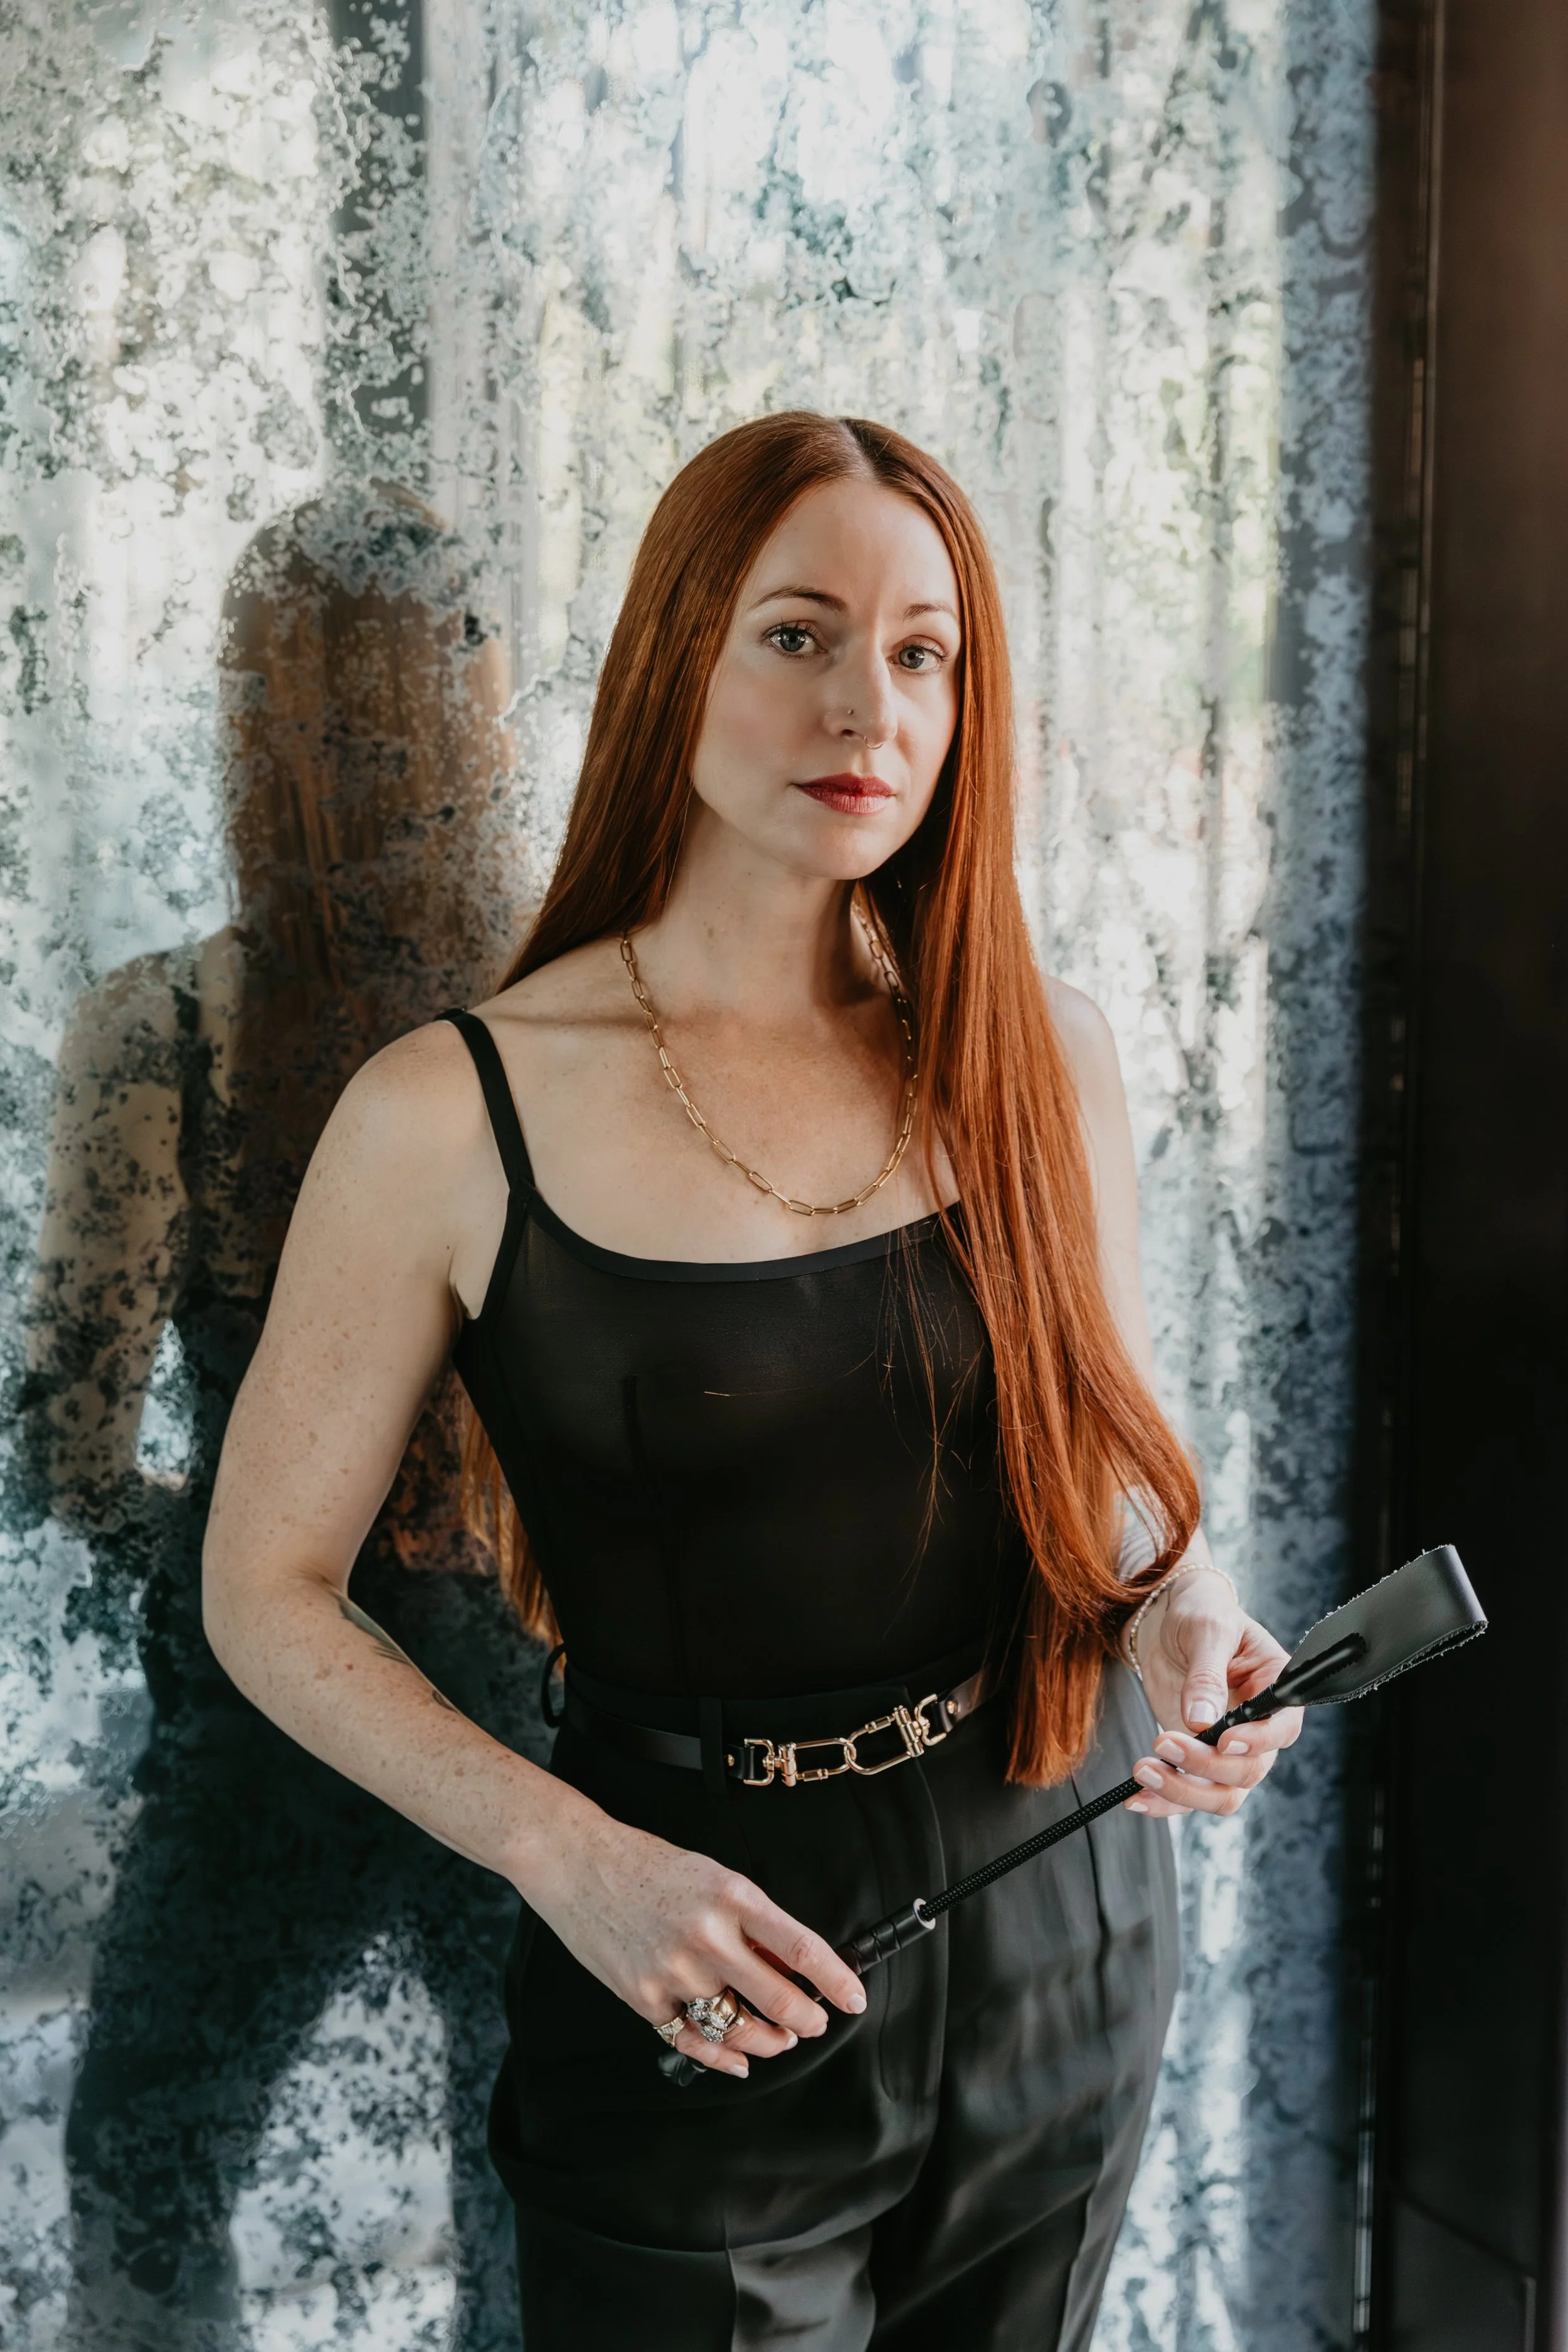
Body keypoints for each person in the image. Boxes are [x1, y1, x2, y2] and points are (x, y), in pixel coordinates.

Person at [201, 413, 1302, 2352]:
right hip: (692, 1959)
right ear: (675, 659)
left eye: (919, 650)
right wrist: (567, 1855)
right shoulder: (445, 1111)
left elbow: (1119, 1468)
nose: (860, 701)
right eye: (796, 633)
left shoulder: (1037, 1049)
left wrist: (1187, 1621)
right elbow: (263, 1588)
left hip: (1065, 1907)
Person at [24, 485, 536, 2352]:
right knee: (538, 2161)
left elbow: (66, 1446)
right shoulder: (567, 1012)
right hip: (539, 1701)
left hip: (268, 1695)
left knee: (146, 2145)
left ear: (258, 726)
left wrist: (233, 1546)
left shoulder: (160, 1032)